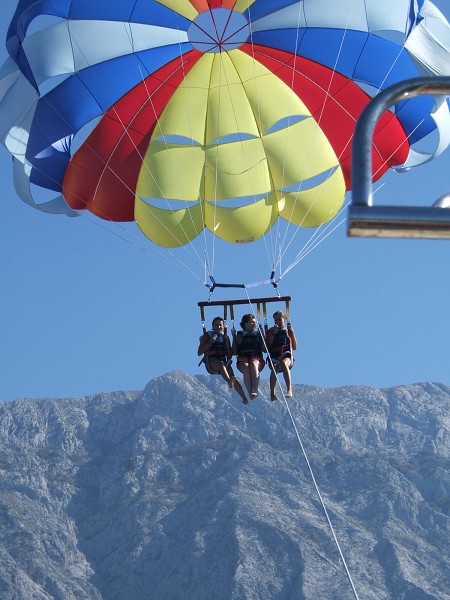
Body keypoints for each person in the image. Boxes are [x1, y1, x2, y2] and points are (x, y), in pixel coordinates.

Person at [198, 316, 248, 404]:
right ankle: (229, 382)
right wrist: (210, 343)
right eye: (216, 325)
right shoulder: (206, 336)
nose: (218, 327)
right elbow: (199, 352)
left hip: (224, 361)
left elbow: (230, 354)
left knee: (233, 376)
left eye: (220, 325)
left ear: (223, 326)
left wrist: (233, 338)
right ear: (212, 326)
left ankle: (244, 397)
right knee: (221, 364)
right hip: (211, 362)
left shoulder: (225, 338)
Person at [233, 314, 265, 400]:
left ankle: (255, 389)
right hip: (243, 359)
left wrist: (262, 336)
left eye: (255, 322)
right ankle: (250, 392)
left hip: (256, 358)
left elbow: (265, 350)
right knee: (247, 367)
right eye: (252, 322)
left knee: (253, 364)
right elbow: (234, 352)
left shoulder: (258, 334)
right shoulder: (240, 335)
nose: (254, 324)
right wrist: (234, 338)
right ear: (245, 324)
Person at [266, 310, 298, 401]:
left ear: (284, 319)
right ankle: (272, 394)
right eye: (275, 320)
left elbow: (294, 346)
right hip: (274, 355)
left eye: (279, 320)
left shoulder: (288, 330)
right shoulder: (271, 331)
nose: (277, 322)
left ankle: (289, 389)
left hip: (286, 354)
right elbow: (269, 346)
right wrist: (273, 334)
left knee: (284, 364)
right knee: (274, 367)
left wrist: (291, 332)